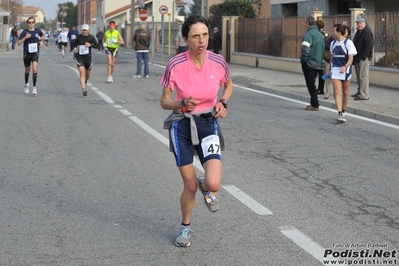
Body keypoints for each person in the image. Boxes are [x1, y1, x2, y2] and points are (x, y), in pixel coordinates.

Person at [160, 14, 233, 247]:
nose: (202, 41)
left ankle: (205, 185)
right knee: (189, 186)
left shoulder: (218, 61)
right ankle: (185, 228)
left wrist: (223, 102)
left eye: (205, 35)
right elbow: (164, 100)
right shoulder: (176, 64)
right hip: (182, 125)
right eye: (195, 36)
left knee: (213, 184)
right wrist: (181, 105)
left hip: (208, 123)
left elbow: (229, 84)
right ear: (185, 39)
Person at [326, 24, 357, 122]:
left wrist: (345, 66)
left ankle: (343, 110)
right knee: (337, 92)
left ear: (339, 32)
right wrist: (330, 68)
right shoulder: (333, 43)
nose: (332, 33)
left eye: (334, 31)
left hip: (346, 70)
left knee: (345, 92)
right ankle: (339, 113)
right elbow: (332, 57)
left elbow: (351, 58)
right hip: (336, 70)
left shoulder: (348, 43)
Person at [300, 16, 325, 111]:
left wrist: (303, 59)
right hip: (318, 62)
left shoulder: (309, 34)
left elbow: (305, 49)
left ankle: (315, 103)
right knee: (313, 83)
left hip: (309, 62)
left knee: (310, 84)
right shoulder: (320, 35)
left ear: (307, 23)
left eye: (305, 23)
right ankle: (314, 102)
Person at [17, 17, 44, 96]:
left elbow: (42, 36)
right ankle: (26, 84)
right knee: (27, 70)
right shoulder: (24, 32)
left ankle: (34, 87)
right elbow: (18, 43)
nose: (31, 24)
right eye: (29, 22)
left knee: (35, 69)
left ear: (34, 23)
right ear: (27, 23)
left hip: (35, 52)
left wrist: (41, 41)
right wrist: (25, 38)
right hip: (27, 53)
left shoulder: (38, 31)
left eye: (32, 22)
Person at [352, 13, 374, 101]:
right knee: (359, 75)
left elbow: (369, 46)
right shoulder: (360, 31)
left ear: (365, 22)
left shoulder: (367, 31)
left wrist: (364, 56)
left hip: (362, 58)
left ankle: (364, 94)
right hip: (358, 57)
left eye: (360, 23)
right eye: (357, 23)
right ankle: (360, 91)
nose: (359, 24)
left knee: (363, 76)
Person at [73, 24, 98, 97]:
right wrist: (74, 48)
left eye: (85, 30)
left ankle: (85, 81)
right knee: (82, 73)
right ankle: (84, 89)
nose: (84, 31)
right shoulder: (79, 37)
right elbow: (75, 44)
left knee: (88, 73)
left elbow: (97, 46)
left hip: (88, 57)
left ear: (88, 30)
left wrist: (90, 45)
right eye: (83, 30)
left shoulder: (91, 37)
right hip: (79, 57)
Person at [315, 20, 326, 95]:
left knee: (319, 73)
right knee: (322, 73)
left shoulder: (318, 34)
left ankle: (320, 89)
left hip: (318, 55)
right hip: (323, 55)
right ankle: (321, 88)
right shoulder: (324, 33)